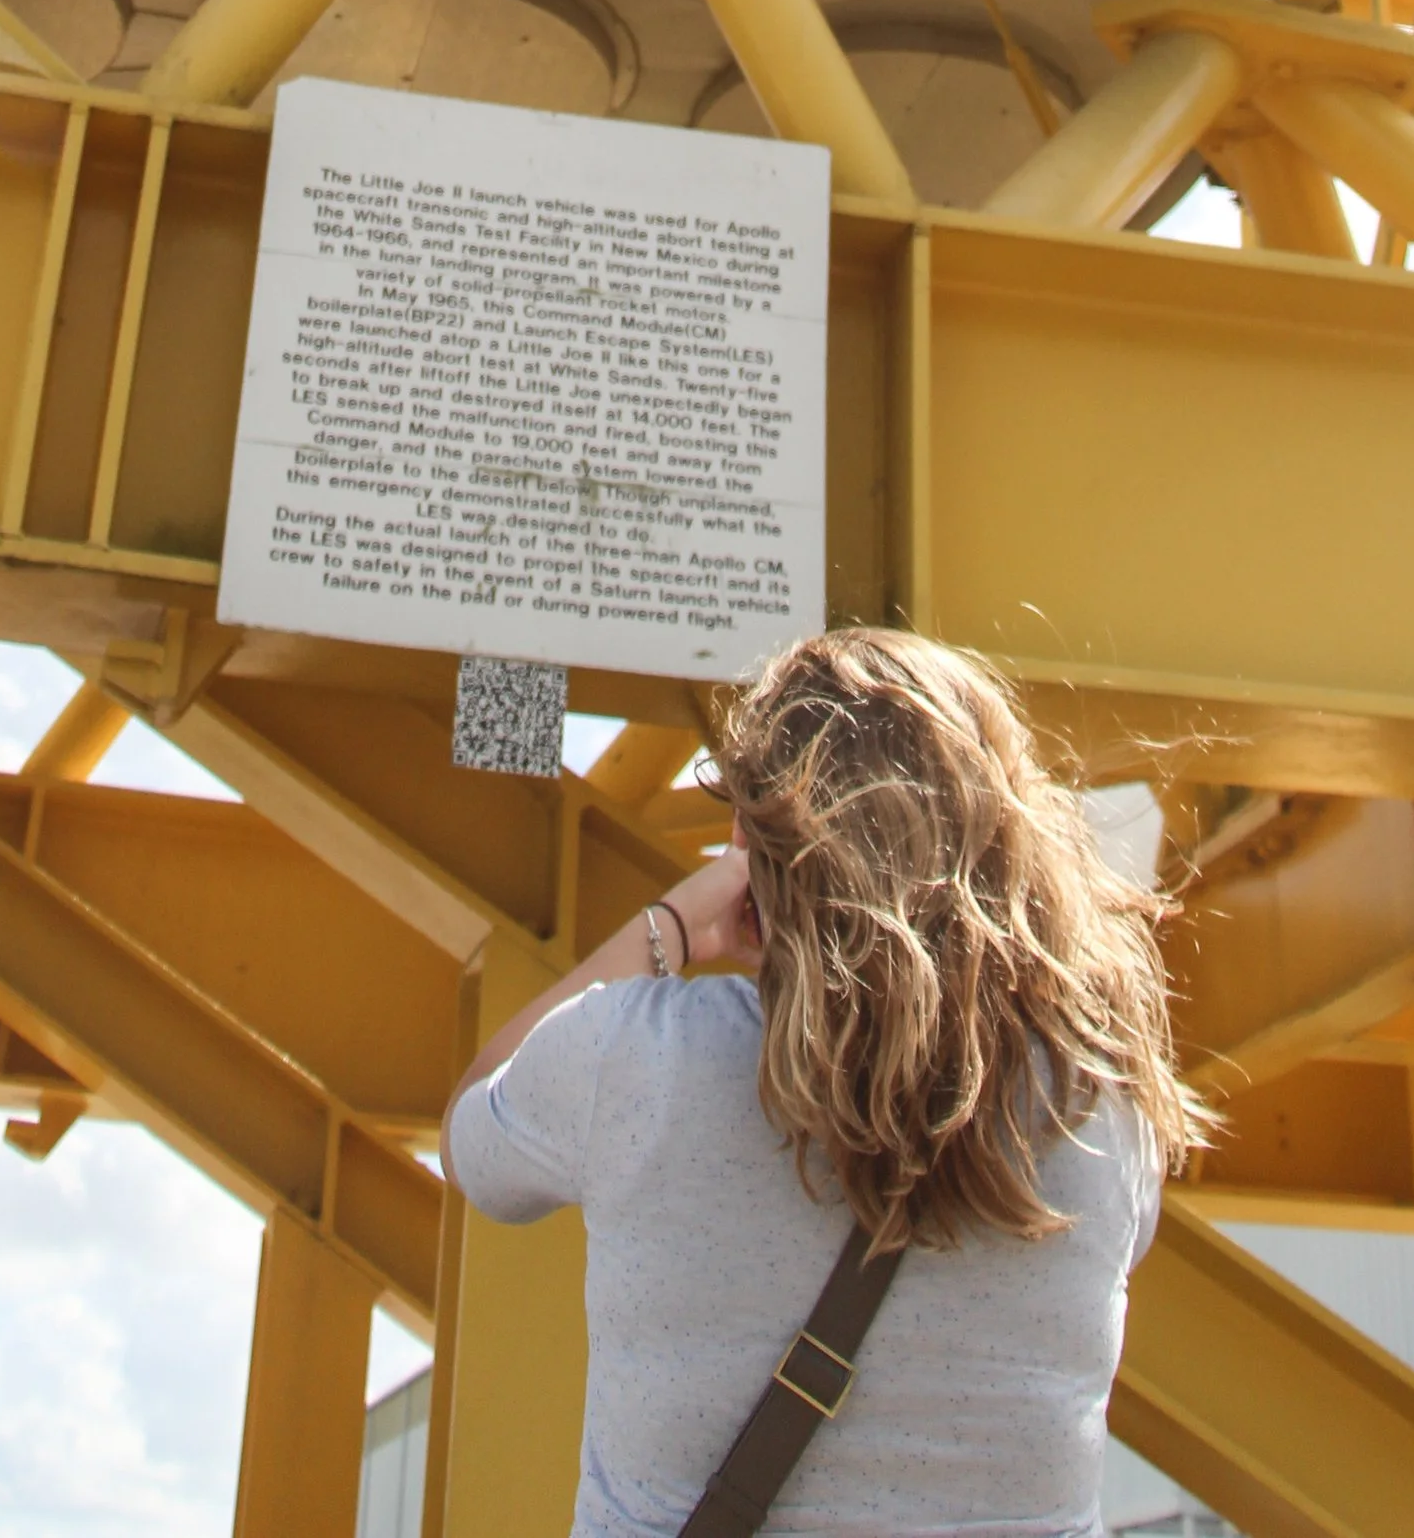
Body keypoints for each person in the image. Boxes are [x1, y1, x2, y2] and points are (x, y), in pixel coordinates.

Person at [441, 629, 1200, 1538]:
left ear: (755, 855)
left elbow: (473, 1128)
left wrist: (673, 929)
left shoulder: (635, 1061)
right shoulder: (1103, 1113)